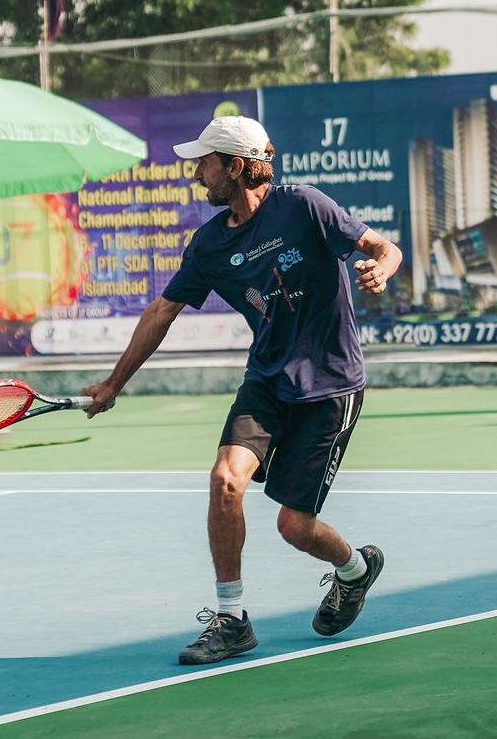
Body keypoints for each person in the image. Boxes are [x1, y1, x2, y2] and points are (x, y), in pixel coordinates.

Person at [80, 116, 402, 665]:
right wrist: (115, 382)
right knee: (225, 481)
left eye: (206, 163)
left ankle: (355, 569)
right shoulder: (208, 244)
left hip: (330, 387)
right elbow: (162, 311)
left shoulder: (305, 206)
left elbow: (384, 248)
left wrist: (382, 268)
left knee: (293, 527)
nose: (197, 173)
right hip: (267, 383)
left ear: (237, 167)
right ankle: (232, 621)